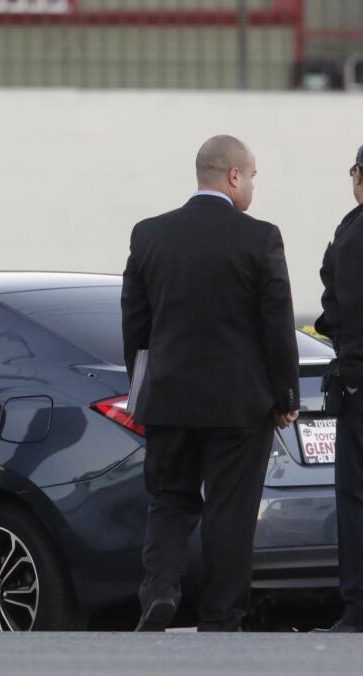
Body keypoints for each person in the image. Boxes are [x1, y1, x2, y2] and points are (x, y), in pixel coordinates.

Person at [121, 134, 299, 632]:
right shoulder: (259, 238)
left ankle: (159, 590)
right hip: (238, 406)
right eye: (254, 176)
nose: (254, 187)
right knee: (229, 509)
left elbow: (134, 320)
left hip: (169, 398)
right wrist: (285, 396)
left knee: (169, 499)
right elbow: (276, 325)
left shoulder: (149, 235)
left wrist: (142, 384)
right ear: (234, 176)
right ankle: (221, 617)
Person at [313, 144, 363, 633]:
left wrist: (350, 377)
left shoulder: (353, 232)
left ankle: (358, 611)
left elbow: (343, 311)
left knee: (355, 498)